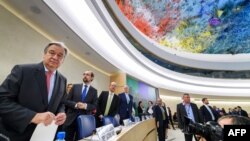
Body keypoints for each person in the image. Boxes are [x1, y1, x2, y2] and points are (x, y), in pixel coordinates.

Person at [0, 42, 68, 141]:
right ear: (44, 54)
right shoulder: (22, 70)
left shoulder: (63, 80)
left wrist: (61, 113)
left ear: (63, 61)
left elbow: (61, 103)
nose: (55, 57)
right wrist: (33, 116)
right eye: (52, 52)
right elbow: (2, 100)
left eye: (60, 55)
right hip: (15, 134)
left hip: (43, 135)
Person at [63, 71, 98, 141]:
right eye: (84, 74)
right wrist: (76, 105)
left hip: (84, 121)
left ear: (92, 78)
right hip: (70, 119)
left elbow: (94, 105)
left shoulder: (94, 91)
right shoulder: (75, 87)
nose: (85, 76)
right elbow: (66, 101)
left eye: (87, 75)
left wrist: (85, 106)